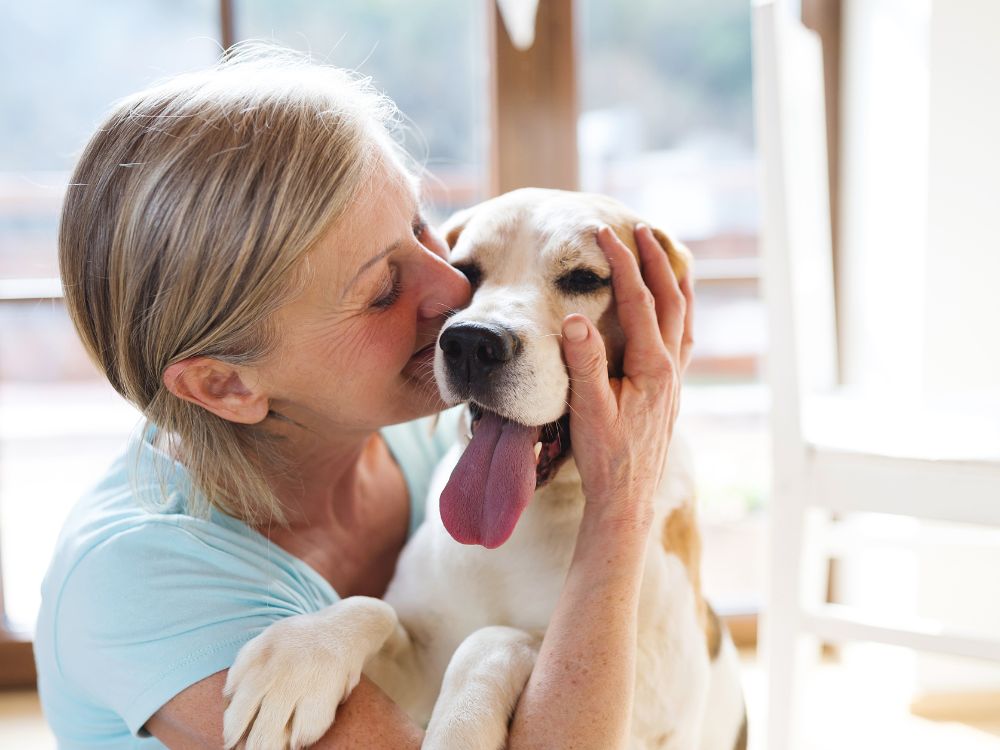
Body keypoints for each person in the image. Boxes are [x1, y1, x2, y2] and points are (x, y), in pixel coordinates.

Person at [34, 45, 693, 749]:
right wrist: (622, 501)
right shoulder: (142, 588)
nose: (454, 295)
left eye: (421, 231)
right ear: (226, 382)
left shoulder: (425, 434)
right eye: (381, 288)